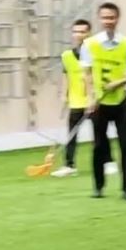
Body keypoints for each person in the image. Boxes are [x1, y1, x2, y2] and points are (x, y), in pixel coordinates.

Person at [80, 2, 126, 200]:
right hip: (99, 103)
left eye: (111, 17)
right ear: (100, 19)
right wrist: (90, 97)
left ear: (117, 19)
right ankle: (98, 187)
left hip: (120, 102)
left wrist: (118, 83)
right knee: (98, 146)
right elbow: (87, 74)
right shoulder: (89, 44)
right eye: (105, 17)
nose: (108, 21)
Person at [52, 19, 114, 178]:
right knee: (71, 134)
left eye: (82, 32)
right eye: (75, 32)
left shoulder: (97, 54)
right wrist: (64, 95)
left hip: (94, 101)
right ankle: (69, 165)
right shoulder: (66, 56)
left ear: (89, 34)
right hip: (76, 101)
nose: (78, 35)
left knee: (99, 133)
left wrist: (95, 97)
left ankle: (108, 162)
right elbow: (66, 76)